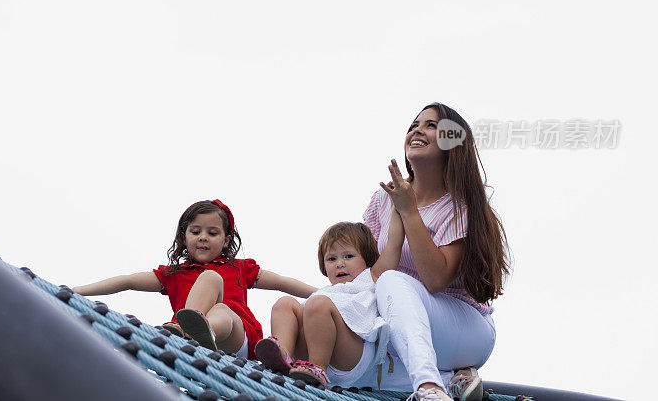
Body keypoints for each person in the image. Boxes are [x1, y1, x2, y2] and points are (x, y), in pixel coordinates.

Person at [365, 103, 510, 401]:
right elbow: (366, 271)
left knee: (393, 281)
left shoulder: (461, 207)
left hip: (462, 328)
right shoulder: (382, 198)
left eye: (431, 125)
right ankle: (450, 379)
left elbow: (434, 279)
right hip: (401, 323)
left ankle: (429, 388)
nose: (417, 130)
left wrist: (408, 211)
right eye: (414, 124)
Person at [73, 199, 317, 359]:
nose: (203, 237)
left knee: (219, 303)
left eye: (212, 233)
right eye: (195, 231)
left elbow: (283, 282)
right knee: (210, 283)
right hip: (194, 348)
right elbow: (127, 281)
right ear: (184, 236)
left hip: (235, 339)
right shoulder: (173, 275)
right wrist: (80, 291)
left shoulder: (239, 268)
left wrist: (324, 294)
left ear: (225, 240)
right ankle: (193, 330)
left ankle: (197, 330)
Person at [255, 221, 400, 388]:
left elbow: (394, 244)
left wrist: (399, 205)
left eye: (348, 256)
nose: (339, 263)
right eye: (332, 258)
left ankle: (318, 367)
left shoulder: (371, 276)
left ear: (366, 259)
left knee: (318, 304)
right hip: (307, 360)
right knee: (284, 303)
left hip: (352, 355)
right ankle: (283, 356)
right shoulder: (326, 292)